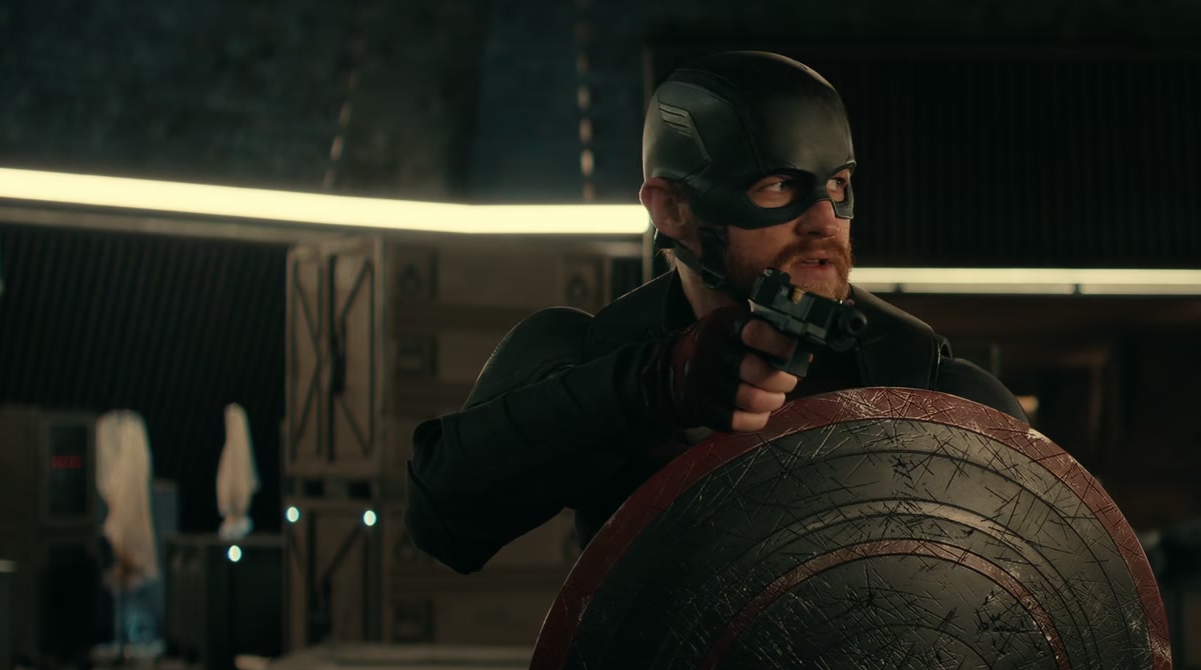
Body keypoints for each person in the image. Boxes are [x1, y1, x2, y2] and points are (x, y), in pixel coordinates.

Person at [405, 51, 1026, 574]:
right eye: (778, 186)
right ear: (672, 209)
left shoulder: (925, 380)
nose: (823, 219)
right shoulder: (600, 350)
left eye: (837, 185)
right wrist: (654, 385)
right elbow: (443, 520)